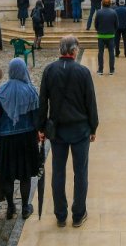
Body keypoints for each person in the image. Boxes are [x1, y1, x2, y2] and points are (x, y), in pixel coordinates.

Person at [37, 36, 99, 228]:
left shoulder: (49, 70)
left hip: (57, 130)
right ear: (74, 51)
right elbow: (91, 102)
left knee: (58, 172)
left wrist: (40, 127)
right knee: (80, 172)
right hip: (80, 129)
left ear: (60, 50)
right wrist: (93, 126)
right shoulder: (83, 72)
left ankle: (61, 215)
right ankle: (78, 214)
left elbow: (42, 101)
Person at [0, 57, 40, 219]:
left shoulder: (1, 92)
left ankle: (11, 207)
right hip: (27, 139)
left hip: (6, 140)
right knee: (25, 175)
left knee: (8, 175)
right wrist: (39, 133)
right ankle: (25, 207)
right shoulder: (31, 91)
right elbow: (36, 118)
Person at [93, 0, 118, 76]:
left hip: (101, 35)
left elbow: (95, 24)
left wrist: (98, 30)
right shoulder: (113, 12)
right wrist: (113, 31)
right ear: (110, 3)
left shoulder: (99, 12)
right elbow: (116, 24)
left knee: (100, 53)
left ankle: (100, 70)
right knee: (111, 53)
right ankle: (112, 70)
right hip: (111, 35)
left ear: (102, 3)